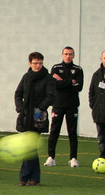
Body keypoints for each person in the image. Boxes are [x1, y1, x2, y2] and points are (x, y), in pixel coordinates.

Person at [14, 52, 55, 186]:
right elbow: (18, 93)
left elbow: (50, 96)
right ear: (30, 63)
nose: (38, 66)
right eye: (35, 63)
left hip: (38, 118)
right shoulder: (26, 77)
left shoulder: (48, 78)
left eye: (40, 63)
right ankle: (35, 178)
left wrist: (40, 108)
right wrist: (21, 108)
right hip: (26, 117)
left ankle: (23, 177)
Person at [44, 46, 83, 168]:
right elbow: (54, 85)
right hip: (58, 105)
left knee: (72, 132)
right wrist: (70, 81)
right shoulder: (56, 68)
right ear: (62, 55)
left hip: (72, 105)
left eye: (70, 54)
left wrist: (62, 81)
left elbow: (79, 87)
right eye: (66, 54)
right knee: (54, 131)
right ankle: (51, 157)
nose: (68, 56)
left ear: (73, 56)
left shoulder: (78, 69)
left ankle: (73, 158)